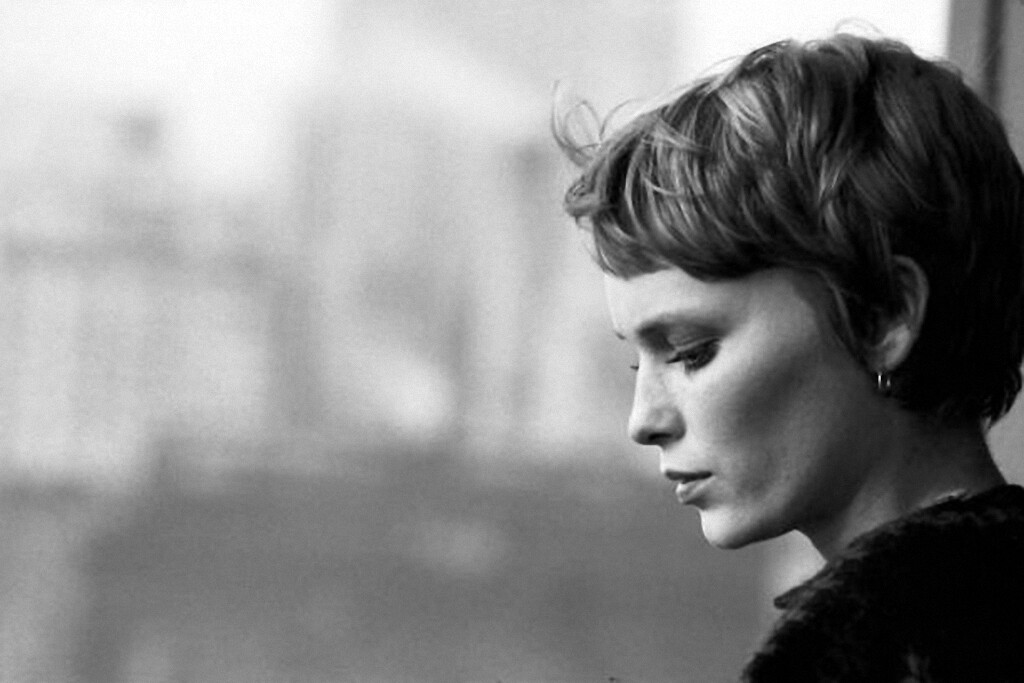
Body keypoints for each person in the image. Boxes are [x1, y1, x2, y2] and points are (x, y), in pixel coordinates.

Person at [556, 33, 1024, 681]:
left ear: (884, 314)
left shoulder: (859, 651)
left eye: (691, 352)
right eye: (639, 363)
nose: (643, 420)